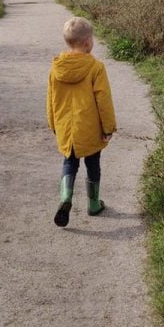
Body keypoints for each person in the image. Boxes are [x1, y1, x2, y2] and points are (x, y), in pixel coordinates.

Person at [46, 16, 117, 227]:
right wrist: (108, 127)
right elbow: (103, 100)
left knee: (69, 163)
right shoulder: (96, 67)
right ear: (87, 43)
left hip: (66, 128)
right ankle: (93, 204)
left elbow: (50, 99)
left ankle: (65, 198)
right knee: (93, 164)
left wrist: (53, 124)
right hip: (89, 128)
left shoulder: (56, 67)